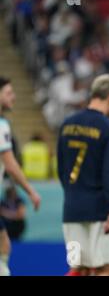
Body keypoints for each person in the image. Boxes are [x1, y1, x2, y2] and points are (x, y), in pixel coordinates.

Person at [57, 74, 109, 276]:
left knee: (78, 267)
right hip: (100, 211)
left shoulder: (67, 124)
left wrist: (72, 195)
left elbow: (61, 168)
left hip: (71, 210)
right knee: (104, 266)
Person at [0, 77, 41, 276]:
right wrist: (31, 191)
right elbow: (10, 164)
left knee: (4, 244)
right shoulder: (1, 125)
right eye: (8, 93)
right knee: (4, 246)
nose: (14, 97)